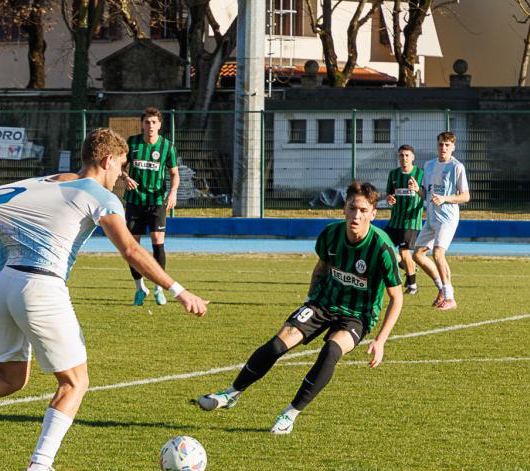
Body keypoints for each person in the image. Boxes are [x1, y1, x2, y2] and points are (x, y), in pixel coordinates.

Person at [0, 128, 208, 471]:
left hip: (5, 285)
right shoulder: (103, 198)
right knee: (75, 382)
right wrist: (178, 289)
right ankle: (39, 468)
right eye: (121, 167)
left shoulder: (46, 181)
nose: (122, 177)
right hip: (41, 287)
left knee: (11, 378)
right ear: (107, 160)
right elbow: (131, 250)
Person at [197, 181, 403, 435]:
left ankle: (290, 413)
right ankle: (231, 393)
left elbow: (397, 297)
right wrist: (309, 300)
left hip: (357, 316)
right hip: (322, 303)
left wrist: (380, 340)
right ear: (344, 209)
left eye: (363, 210)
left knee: (330, 351)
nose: (356, 215)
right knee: (277, 344)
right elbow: (322, 268)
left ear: (373, 213)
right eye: (352, 208)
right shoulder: (330, 234)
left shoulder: (382, 247)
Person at [122, 107, 180, 306]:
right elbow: (119, 166)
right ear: (142, 124)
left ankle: (158, 288)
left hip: (156, 203)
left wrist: (172, 192)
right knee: (132, 247)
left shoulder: (167, 147)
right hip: (134, 202)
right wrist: (125, 177)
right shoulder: (132, 143)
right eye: (147, 122)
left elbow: (174, 174)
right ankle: (140, 289)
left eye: (154, 122)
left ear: (160, 125)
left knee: (158, 243)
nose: (150, 126)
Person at [410, 131, 470, 310]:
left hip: (447, 218)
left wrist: (445, 198)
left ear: (453, 147)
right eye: (440, 144)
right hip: (431, 218)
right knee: (418, 255)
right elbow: (426, 193)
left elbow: (465, 196)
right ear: (437, 146)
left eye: (447, 145)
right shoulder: (428, 165)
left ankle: (450, 298)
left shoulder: (457, 167)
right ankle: (441, 288)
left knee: (437, 253)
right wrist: (416, 190)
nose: (443, 148)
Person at [384, 144, 424, 295]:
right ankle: (410, 267)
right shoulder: (393, 174)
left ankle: (412, 285)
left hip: (411, 221)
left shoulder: (420, 174)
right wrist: (390, 198)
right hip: (395, 220)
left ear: (413, 157)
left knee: (405, 252)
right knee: (384, 247)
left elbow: (425, 195)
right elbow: (389, 194)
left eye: (407, 155)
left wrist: (417, 190)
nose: (404, 158)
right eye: (401, 155)